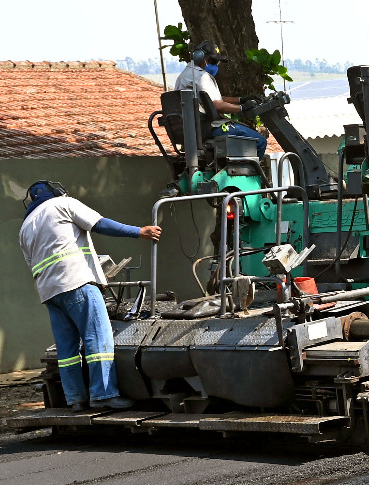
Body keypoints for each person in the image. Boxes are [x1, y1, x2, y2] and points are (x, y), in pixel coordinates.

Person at [19, 181, 162, 410]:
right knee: (97, 337)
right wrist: (139, 232)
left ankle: (75, 399)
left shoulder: (25, 226)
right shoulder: (62, 204)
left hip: (50, 293)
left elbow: (33, 263)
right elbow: (100, 224)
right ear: (53, 192)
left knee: (67, 350)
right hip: (77, 282)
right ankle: (103, 395)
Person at [174, 39, 267, 155]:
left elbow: (212, 99)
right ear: (202, 58)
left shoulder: (184, 76)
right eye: (212, 61)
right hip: (207, 128)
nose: (215, 65)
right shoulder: (201, 76)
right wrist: (242, 108)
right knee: (260, 141)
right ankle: (250, 171)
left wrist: (241, 100)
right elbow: (217, 104)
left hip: (192, 128)